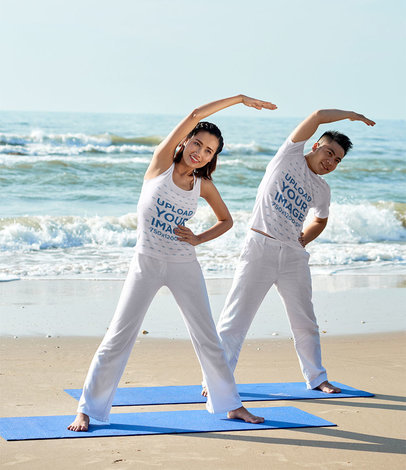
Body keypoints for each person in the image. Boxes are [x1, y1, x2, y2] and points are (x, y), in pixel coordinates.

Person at [68, 94, 277, 432]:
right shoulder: (160, 165)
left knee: (207, 336)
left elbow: (227, 221)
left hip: (183, 264)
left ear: (213, 158)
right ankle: (87, 410)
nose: (201, 152)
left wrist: (198, 238)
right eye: (198, 143)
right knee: (119, 335)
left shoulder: (203, 185)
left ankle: (232, 405)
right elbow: (195, 113)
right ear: (185, 142)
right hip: (146, 261)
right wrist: (239, 99)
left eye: (209, 151)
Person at [203, 109, 375, 396]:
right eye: (329, 153)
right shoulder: (289, 155)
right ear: (316, 145)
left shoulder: (322, 190)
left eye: (337, 160)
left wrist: (303, 240)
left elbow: (320, 219)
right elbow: (317, 116)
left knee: (305, 321)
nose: (331, 162)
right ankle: (215, 381)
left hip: (293, 256)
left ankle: (317, 378)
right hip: (260, 246)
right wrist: (351, 115)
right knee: (235, 320)